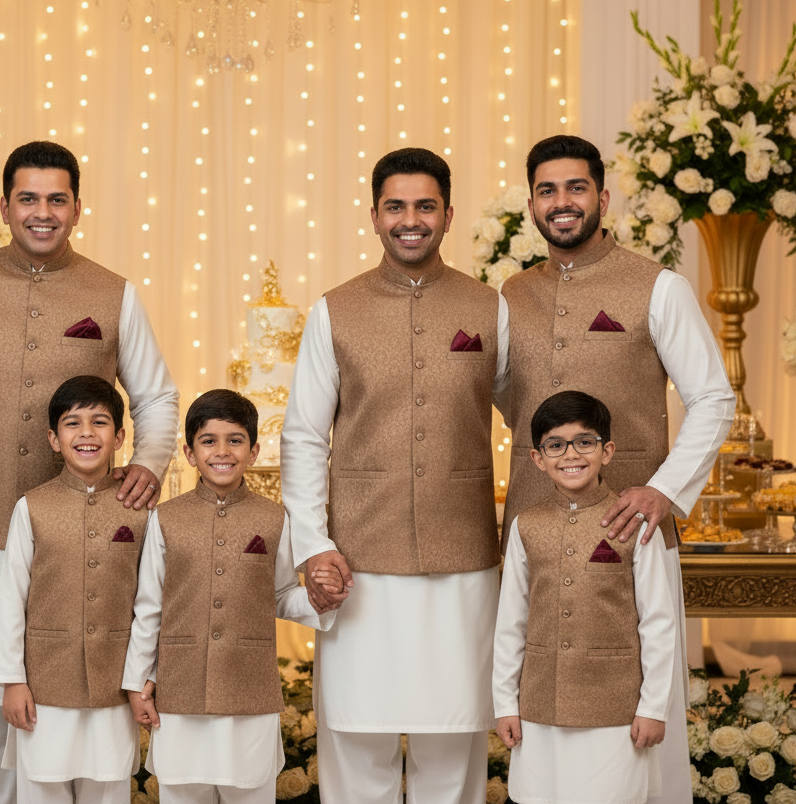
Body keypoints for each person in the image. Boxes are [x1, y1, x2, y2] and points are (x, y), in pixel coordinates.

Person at [0, 140, 179, 803]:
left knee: (69, 711)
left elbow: (156, 398)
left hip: (84, 541)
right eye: (28, 199)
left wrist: (150, 466)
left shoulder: (112, 291)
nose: (42, 212)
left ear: (77, 206)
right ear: (5, 205)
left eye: (57, 199)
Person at [497, 134, 734, 804]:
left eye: (575, 188)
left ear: (603, 198)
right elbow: (494, 389)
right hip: (534, 529)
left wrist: (662, 490)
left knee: (642, 722)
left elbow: (713, 397)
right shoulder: (512, 294)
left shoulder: (658, 286)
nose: (562, 202)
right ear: (532, 204)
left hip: (634, 531)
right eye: (547, 190)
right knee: (541, 700)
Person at [281, 147, 506, 804]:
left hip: (463, 562)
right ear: (375, 216)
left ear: (448, 214)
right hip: (357, 564)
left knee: (452, 747)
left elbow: (539, 427)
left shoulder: (490, 308)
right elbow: (302, 436)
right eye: (396, 206)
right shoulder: (334, 310)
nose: (411, 220)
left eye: (425, 206)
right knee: (356, 740)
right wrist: (314, 543)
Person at [122, 389, 336, 804]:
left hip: (249, 690)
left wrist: (317, 601)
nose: (222, 451)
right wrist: (137, 682)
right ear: (188, 452)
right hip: (179, 690)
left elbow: (280, 595)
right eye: (209, 441)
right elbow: (149, 607)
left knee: (249, 790)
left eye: (235, 440)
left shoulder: (276, 518)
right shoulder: (164, 518)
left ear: (254, 451)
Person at [494, 390, 676, 804]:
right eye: (555, 445)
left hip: (614, 707)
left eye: (584, 442)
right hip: (540, 706)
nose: (570, 454)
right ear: (538, 458)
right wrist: (505, 702)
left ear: (606, 451)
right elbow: (510, 624)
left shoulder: (634, 522)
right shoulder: (526, 525)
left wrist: (653, 707)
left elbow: (658, 622)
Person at [0, 375, 149, 804]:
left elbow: (149, 604)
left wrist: (141, 679)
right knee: (42, 788)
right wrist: (11, 681)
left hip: (113, 686)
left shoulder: (141, 512)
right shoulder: (31, 507)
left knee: (109, 790)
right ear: (53, 439)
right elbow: (12, 599)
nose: (86, 433)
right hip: (43, 686)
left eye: (99, 423)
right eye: (72, 423)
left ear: (119, 436)